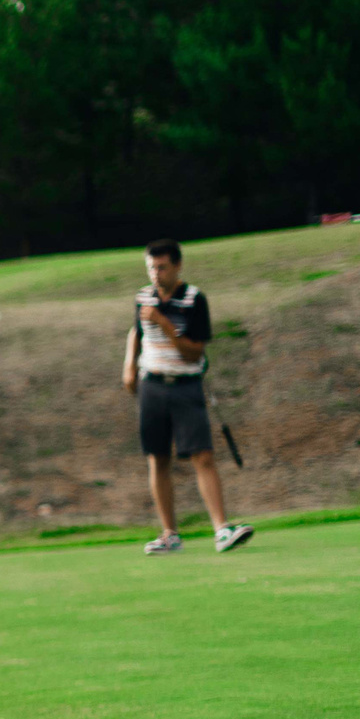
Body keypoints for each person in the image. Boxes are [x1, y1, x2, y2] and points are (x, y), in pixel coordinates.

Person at [124, 238, 252, 555]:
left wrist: (166, 325)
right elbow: (136, 332)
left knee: (202, 456)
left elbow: (194, 353)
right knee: (158, 459)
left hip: (185, 385)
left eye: (162, 267)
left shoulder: (194, 300)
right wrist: (129, 364)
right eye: (151, 267)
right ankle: (169, 535)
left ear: (178, 266)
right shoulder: (143, 297)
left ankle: (221, 530)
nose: (156, 274)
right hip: (151, 385)